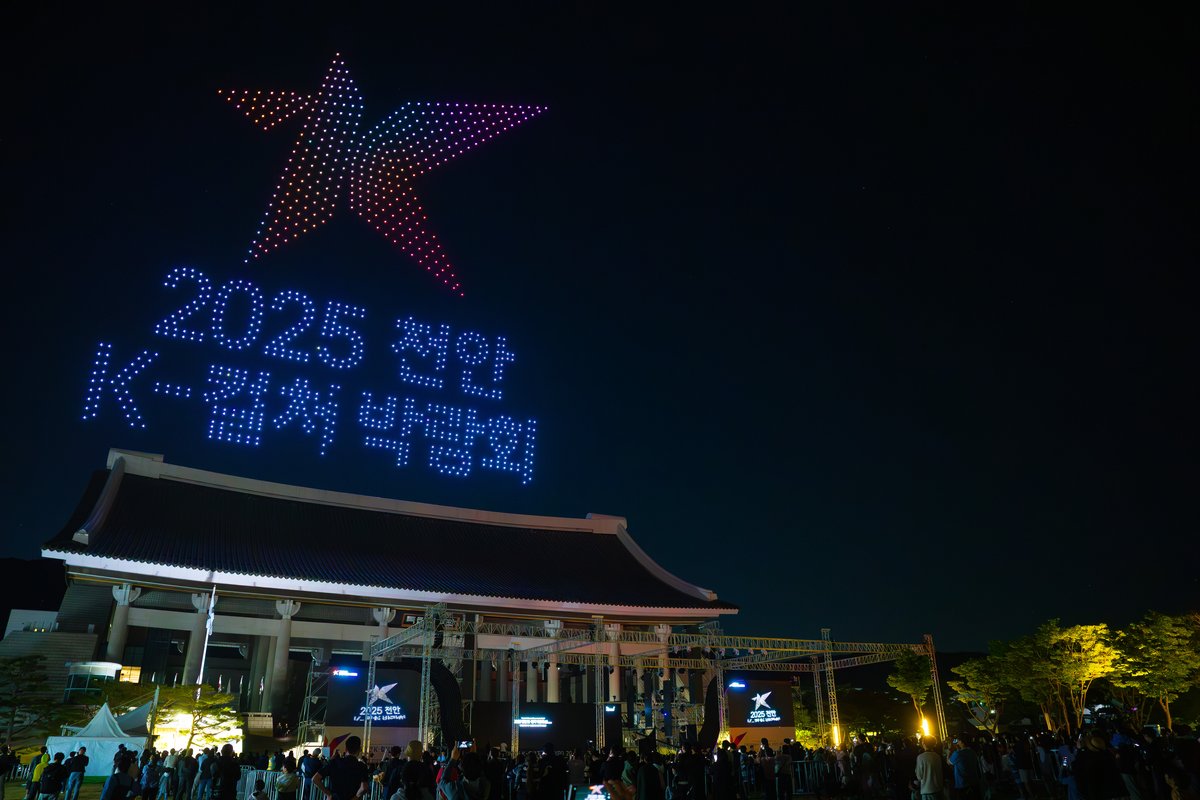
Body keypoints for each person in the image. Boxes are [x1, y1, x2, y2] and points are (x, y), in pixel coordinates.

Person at [314, 736, 370, 800]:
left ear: (346, 749)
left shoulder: (334, 762)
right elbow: (364, 787)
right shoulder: (362, 766)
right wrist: (356, 797)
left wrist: (328, 794)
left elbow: (315, 779)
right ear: (359, 749)